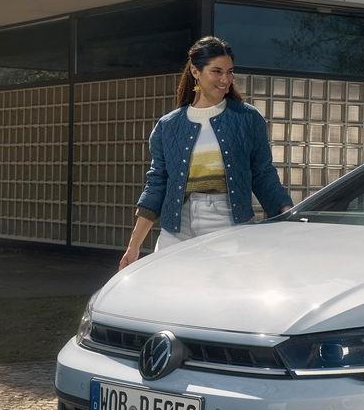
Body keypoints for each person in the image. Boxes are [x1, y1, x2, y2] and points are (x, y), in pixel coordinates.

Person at [119, 36, 292, 269]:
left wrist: (285, 211)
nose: (225, 80)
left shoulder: (247, 118)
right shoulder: (168, 126)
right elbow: (157, 184)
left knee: (223, 288)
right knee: (171, 287)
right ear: (195, 71)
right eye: (217, 71)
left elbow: (262, 173)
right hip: (176, 228)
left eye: (230, 72)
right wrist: (134, 246)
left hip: (227, 223)